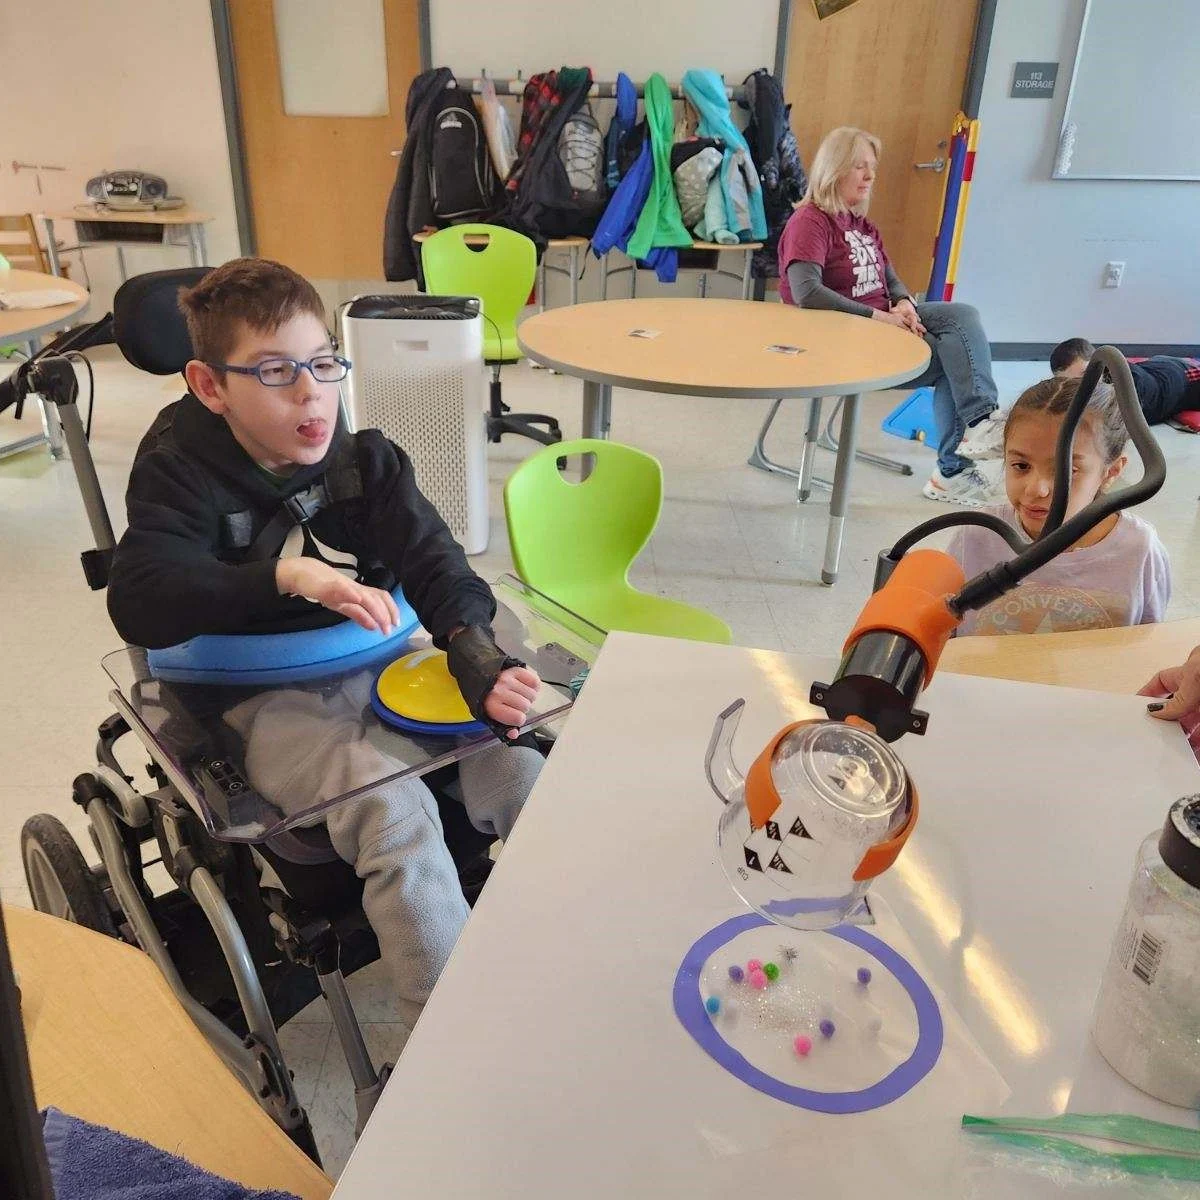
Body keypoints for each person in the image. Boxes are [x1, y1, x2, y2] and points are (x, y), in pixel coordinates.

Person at [107, 258, 544, 1030]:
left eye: (322, 364)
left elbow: (435, 560)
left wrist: (476, 655)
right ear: (210, 387)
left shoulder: (362, 460)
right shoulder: (179, 472)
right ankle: (443, 1046)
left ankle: (569, 962)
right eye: (274, 373)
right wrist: (288, 577)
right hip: (252, 691)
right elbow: (141, 598)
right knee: (391, 808)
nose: (311, 394)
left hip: (381, 655)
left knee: (519, 769)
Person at [777, 126, 1004, 507]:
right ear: (834, 169)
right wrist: (880, 318)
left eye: (872, 168)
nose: (869, 177)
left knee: (961, 322)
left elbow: (891, 279)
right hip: (838, 339)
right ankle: (958, 461)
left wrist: (904, 305)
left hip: (879, 327)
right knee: (955, 354)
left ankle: (972, 438)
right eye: (859, 167)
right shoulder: (810, 222)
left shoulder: (862, 225)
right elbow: (807, 292)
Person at [946, 375, 1170, 635]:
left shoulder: (1139, 549)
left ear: (1110, 472)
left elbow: (1148, 643)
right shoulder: (976, 536)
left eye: (1066, 471)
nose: (1036, 490)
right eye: (1021, 466)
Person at [1050, 337, 1200, 427]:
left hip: (1182, 377)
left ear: (1101, 364)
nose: (1080, 386)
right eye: (1070, 381)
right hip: (1155, 366)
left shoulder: (1126, 388)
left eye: (1086, 375)